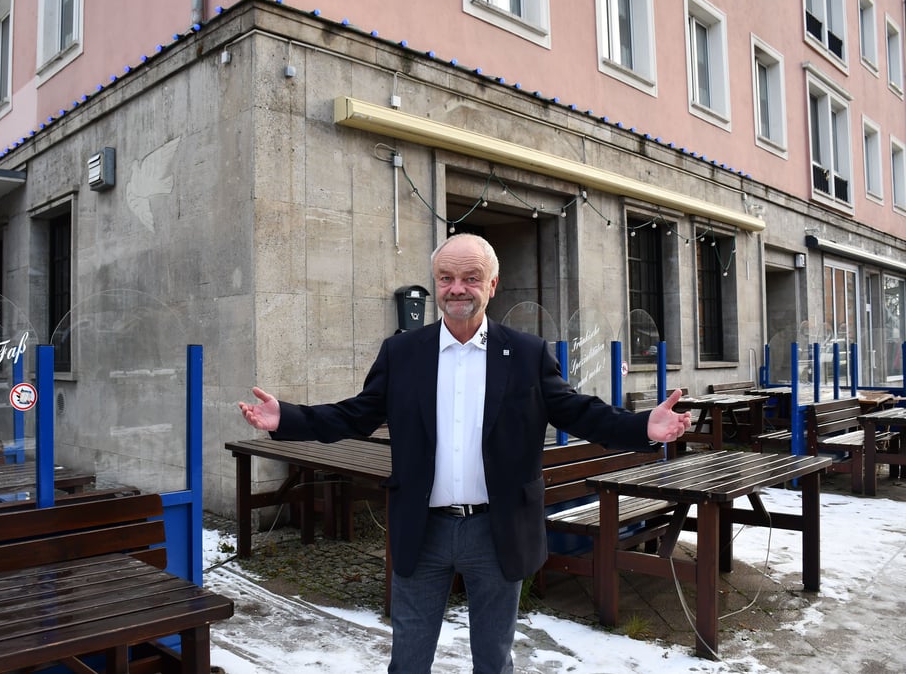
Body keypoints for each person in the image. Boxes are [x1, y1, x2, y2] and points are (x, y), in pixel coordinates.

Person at [239, 232, 691, 673]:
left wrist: (642, 427)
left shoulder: (527, 354)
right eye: (446, 278)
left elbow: (579, 412)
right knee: (409, 659)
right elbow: (356, 415)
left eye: (471, 278)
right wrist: (288, 419)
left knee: (494, 660)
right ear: (436, 283)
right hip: (423, 529)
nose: (457, 289)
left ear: (492, 285)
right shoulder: (402, 352)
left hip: (497, 531)